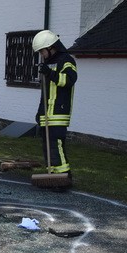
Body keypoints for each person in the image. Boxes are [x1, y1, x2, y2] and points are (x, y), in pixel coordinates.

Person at [33, 29, 78, 185]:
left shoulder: (67, 61)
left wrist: (50, 73)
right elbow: (44, 92)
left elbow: (68, 80)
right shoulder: (47, 62)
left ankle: (64, 177)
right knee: (48, 146)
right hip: (47, 112)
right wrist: (40, 112)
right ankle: (53, 176)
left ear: (51, 47)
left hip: (59, 112)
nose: (42, 54)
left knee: (56, 145)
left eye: (42, 51)